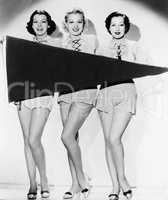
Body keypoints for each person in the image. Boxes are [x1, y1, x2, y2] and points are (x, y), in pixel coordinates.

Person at [95, 11, 150, 200]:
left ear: (125, 27)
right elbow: (93, 72)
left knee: (114, 138)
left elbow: (144, 69)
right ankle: (114, 186)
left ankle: (123, 179)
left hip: (126, 91)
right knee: (108, 141)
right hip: (105, 93)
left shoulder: (135, 47)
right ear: (108, 27)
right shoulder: (101, 48)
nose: (117, 28)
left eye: (120, 25)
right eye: (113, 25)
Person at [16, 10, 61, 199]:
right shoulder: (23, 45)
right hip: (24, 94)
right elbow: (16, 70)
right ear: (31, 24)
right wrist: (15, 93)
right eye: (36, 22)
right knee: (27, 140)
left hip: (43, 94)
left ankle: (44, 180)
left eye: (43, 21)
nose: (40, 25)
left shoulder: (57, 44)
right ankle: (32, 184)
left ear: (48, 24)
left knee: (34, 139)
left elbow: (59, 72)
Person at [58, 8, 98, 199]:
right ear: (66, 24)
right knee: (72, 139)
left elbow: (97, 66)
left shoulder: (91, 42)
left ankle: (82, 180)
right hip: (65, 92)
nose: (75, 26)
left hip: (85, 91)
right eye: (71, 22)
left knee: (66, 136)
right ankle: (75, 184)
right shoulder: (60, 44)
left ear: (84, 24)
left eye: (79, 22)